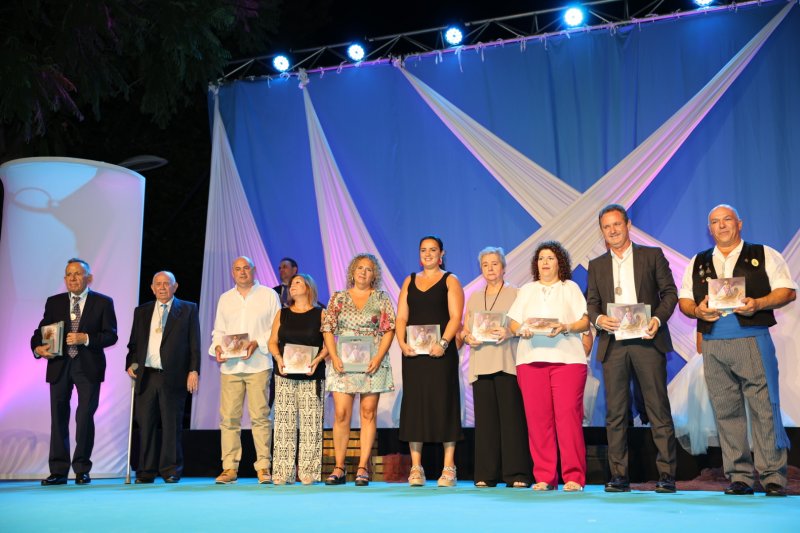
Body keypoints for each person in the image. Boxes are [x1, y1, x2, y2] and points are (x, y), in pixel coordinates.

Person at [678, 204, 796, 497]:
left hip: (752, 338)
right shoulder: (698, 261)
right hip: (714, 342)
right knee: (725, 410)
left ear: (739, 224)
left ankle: (772, 477)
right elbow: (684, 301)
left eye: (727, 220)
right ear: (710, 229)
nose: (721, 226)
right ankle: (740, 476)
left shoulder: (764, 254)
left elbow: (787, 291)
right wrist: (698, 310)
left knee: (764, 407)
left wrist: (759, 302)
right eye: (715, 222)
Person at [586, 204, 678, 493]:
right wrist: (599, 319)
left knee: (657, 408)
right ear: (602, 231)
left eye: (617, 224)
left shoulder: (651, 255)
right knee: (615, 412)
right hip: (614, 344)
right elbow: (592, 303)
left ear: (628, 225)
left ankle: (666, 475)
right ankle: (618, 475)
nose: (612, 230)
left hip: (647, 340)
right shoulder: (597, 264)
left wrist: (656, 319)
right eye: (606, 226)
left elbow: (670, 293)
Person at [506, 241, 589, 492]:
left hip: (568, 360)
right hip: (531, 361)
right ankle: (544, 477)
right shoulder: (527, 290)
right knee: (538, 422)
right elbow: (512, 322)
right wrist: (521, 329)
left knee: (568, 419)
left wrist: (565, 327)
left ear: (559, 262)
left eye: (550, 258)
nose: (545, 262)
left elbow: (584, 322)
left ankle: (573, 476)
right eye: (541, 258)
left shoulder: (570, 288)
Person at [31, 258, 118, 486]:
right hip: (60, 366)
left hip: (88, 367)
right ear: (64, 278)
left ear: (88, 277)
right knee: (58, 418)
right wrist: (38, 348)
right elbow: (40, 332)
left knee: (84, 417)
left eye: (77, 274)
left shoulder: (103, 302)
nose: (72, 278)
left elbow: (111, 335)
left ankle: (82, 469)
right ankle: (58, 471)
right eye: (69, 274)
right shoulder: (54, 302)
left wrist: (86, 338)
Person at [458, 247, 532, 488]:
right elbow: (467, 329)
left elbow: (523, 326)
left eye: (494, 264)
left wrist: (509, 332)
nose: (490, 268)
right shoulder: (475, 297)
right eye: (485, 265)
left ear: (503, 267)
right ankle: (486, 474)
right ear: (481, 269)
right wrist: (468, 338)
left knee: (512, 421)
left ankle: (517, 474)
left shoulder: (516, 293)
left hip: (507, 362)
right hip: (481, 363)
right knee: (486, 423)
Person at [321, 253, 396, 486]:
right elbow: (327, 328)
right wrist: (333, 356)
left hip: (372, 362)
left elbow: (389, 329)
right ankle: (339, 467)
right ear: (352, 271)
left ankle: (363, 467)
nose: (364, 272)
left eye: (369, 269)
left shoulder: (382, 298)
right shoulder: (338, 298)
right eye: (360, 268)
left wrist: (379, 356)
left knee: (368, 413)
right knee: (342, 414)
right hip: (343, 362)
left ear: (375, 275)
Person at [396, 235, 464, 487]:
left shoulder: (450, 280)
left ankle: (449, 467)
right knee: (415, 406)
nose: (428, 254)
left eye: (433, 250)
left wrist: (444, 343)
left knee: (444, 404)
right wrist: (402, 343)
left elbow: (456, 316)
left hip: (441, 354)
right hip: (414, 356)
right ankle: (416, 468)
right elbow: (401, 317)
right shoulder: (410, 280)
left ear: (441, 253)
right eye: (423, 250)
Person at [210, 256, 280, 484]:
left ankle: (264, 467)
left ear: (254, 270)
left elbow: (275, 329)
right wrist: (217, 347)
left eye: (246, 268)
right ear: (232, 273)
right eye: (238, 269)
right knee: (229, 418)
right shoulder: (225, 298)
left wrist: (256, 342)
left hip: (258, 363)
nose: (242, 272)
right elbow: (218, 330)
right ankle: (229, 468)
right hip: (230, 367)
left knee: (260, 417)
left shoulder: (269, 295)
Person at [125, 271, 200, 483]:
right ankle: (145, 471)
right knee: (146, 425)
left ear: (175, 286)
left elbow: (195, 343)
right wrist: (130, 363)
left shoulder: (188, 309)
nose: (162, 287)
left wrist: (194, 370)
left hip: (174, 376)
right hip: (147, 376)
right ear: (152, 287)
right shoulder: (142, 311)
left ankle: (171, 470)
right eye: (158, 284)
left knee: (171, 425)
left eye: (167, 284)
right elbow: (133, 345)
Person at [267, 273, 328, 485]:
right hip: (284, 375)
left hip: (312, 376)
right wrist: (278, 358)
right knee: (284, 423)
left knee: (311, 424)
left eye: (297, 283)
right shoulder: (282, 314)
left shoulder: (321, 313)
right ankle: (283, 472)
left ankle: (308, 471)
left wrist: (318, 359)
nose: (292, 286)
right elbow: (272, 342)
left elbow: (330, 345)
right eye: (291, 284)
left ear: (309, 288)